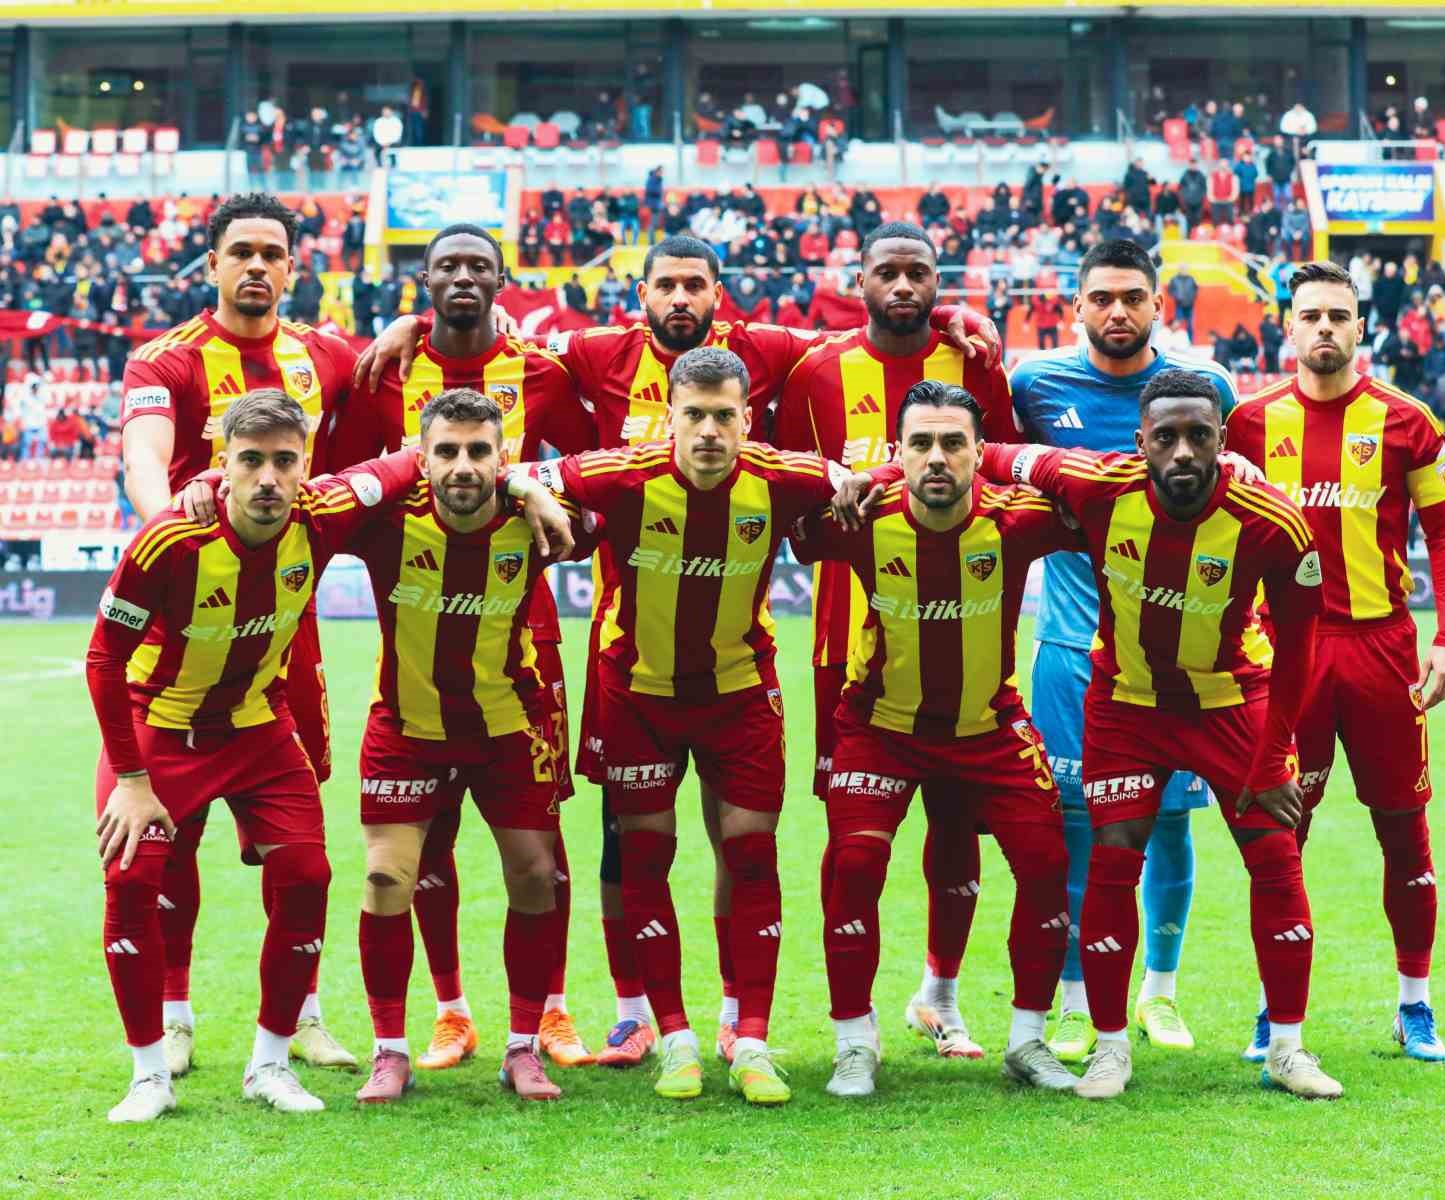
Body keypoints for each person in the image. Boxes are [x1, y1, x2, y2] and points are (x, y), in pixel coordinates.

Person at [358, 235, 998, 1065]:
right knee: (625, 842)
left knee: (743, 842)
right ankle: (629, 1013)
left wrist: (946, 314)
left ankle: (736, 1016)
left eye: (697, 283)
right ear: (644, 294)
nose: (681, 297)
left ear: (719, 296)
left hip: (738, 670)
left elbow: (877, 326)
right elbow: (493, 344)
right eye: (667, 284)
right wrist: (418, 327)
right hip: (627, 657)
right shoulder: (594, 355)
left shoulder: (766, 354)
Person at [981, 369, 1335, 1100]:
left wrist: (1273, 753)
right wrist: (882, 473)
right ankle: (1111, 1048)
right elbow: (988, 453)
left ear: (1222, 440)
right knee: (1112, 860)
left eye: (1198, 436)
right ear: (1139, 441)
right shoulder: (1095, 484)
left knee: (1276, 857)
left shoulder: (1273, 521)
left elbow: (1302, 647)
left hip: (1231, 702)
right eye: (1165, 437)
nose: (1182, 452)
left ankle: (1287, 1048)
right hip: (1127, 706)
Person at [512, 346, 848, 1106]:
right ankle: (674, 1039)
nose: (708, 431)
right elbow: (523, 473)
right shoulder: (624, 474)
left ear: (748, 420)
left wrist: (857, 489)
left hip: (741, 694)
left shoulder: (783, 478)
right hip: (640, 697)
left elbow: (863, 479)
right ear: (669, 417)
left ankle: (749, 1036)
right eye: (693, 414)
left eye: (724, 415)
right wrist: (526, 489)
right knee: (644, 859)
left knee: (752, 853)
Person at [85, 389, 429, 1122]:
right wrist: (134, 781)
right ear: (224, 463)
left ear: (305, 465)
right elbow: (104, 659)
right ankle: (149, 1076)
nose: (268, 478)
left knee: (307, 876)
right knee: (131, 881)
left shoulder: (323, 512)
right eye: (249, 462)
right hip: (160, 729)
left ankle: (270, 1064)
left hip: (257, 728)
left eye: (283, 461)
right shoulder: (170, 540)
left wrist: (528, 484)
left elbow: (407, 461)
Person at [325, 223, 600, 1071]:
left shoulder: (541, 370)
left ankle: (550, 1010)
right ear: (424, 279)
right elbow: (346, 475)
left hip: (524, 629)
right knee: (424, 841)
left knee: (539, 841)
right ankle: (449, 1011)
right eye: (447, 266)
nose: (464, 278)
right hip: (418, 623)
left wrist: (524, 483)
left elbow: (591, 470)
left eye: (480, 265)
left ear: (503, 277)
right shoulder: (385, 371)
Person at [118, 193, 361, 1076]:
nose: (257, 265)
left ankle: (303, 1015)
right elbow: (144, 456)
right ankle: (175, 1014)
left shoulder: (327, 355)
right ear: (213, 263)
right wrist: (167, 532)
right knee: (169, 839)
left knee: (295, 847)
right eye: (241, 251)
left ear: (293, 267)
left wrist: (411, 330)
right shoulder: (166, 360)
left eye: (272, 253)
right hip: (186, 631)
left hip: (285, 635)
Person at [793, 382, 1080, 1097]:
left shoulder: (1018, 520)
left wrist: (1233, 464)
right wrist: (845, 484)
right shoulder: (862, 516)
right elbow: (791, 528)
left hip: (988, 726)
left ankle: (1027, 1039)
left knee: (1046, 862)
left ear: (980, 452)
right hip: (881, 726)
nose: (937, 458)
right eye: (920, 443)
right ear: (898, 452)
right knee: (854, 863)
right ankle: (854, 1042)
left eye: (954, 443)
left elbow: (1102, 494)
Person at [774, 223, 1017, 1061]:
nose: (905, 286)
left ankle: (939, 997)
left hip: (963, 636)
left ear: (939, 280)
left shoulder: (973, 361)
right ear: (862, 281)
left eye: (920, 272)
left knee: (955, 826)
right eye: (889, 272)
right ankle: (854, 1021)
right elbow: (794, 498)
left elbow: (1007, 467)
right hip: (847, 648)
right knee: (853, 840)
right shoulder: (817, 373)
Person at [1228, 261, 1445, 1065]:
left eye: (1338, 315)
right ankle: (1275, 1010)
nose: (1324, 328)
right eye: (1311, 316)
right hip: (1286, 656)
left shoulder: (1407, 421)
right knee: (1280, 837)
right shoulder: (1248, 424)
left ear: (1361, 326)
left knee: (1404, 830)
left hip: (1381, 650)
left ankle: (1415, 1004)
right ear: (1287, 327)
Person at [1009, 239, 1239, 1065]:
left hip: (1175, 659)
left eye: (1133, 297)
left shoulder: (1205, 388)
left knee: (1171, 827)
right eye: (1102, 298)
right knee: (1077, 829)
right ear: (1076, 306)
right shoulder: (1034, 384)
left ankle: (1160, 991)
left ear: (1157, 305)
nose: (1117, 311)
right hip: (1071, 650)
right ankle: (1077, 1002)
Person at [1265, 136, 1297, 211]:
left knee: (1288, 196)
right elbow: (1267, 164)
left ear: (1282, 141)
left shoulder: (1288, 152)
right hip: (1275, 179)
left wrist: (1289, 171)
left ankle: (1289, 211)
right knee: (1277, 197)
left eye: (1279, 140)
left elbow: (1293, 162)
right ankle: (1278, 212)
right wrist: (1269, 174)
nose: (1278, 142)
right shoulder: (1271, 153)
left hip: (1286, 178)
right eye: (1276, 141)